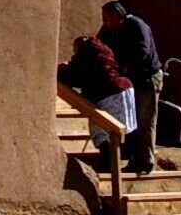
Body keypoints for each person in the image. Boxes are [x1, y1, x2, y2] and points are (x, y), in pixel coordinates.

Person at [98, 0, 163, 171]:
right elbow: (100, 46)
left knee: (145, 119)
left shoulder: (136, 25)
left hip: (148, 78)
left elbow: (143, 51)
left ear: (117, 15)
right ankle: (135, 158)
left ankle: (146, 161)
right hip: (133, 81)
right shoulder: (111, 30)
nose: (104, 22)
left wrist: (124, 65)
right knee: (133, 120)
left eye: (106, 17)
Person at [56, 32, 134, 161]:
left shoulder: (85, 54)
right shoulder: (99, 50)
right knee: (124, 129)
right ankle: (127, 161)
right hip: (124, 90)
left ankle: (110, 163)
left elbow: (77, 76)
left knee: (100, 130)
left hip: (109, 94)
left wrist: (60, 70)